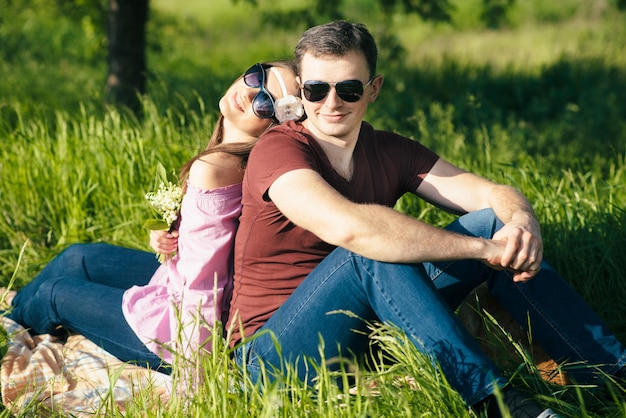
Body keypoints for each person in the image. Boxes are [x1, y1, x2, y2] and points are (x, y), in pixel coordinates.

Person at [227, 21, 626, 417]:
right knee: (367, 252)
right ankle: (500, 406)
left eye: (348, 89)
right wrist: (483, 250)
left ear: (374, 89)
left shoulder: (388, 150)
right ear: (300, 88)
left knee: (492, 222)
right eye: (316, 89)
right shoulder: (278, 150)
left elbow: (490, 194)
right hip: (273, 355)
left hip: (367, 335)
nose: (331, 103)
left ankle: (612, 377)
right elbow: (347, 227)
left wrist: (522, 223)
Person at [5, 60, 303, 374]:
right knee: (76, 257)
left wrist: (195, 369)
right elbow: (216, 244)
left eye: (265, 101)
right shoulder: (232, 157)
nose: (248, 93)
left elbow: (204, 284)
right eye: (256, 77)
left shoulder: (216, 168)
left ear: (276, 124)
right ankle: (16, 308)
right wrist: (172, 234)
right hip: (177, 278)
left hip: (177, 332)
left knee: (55, 294)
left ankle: (8, 325)